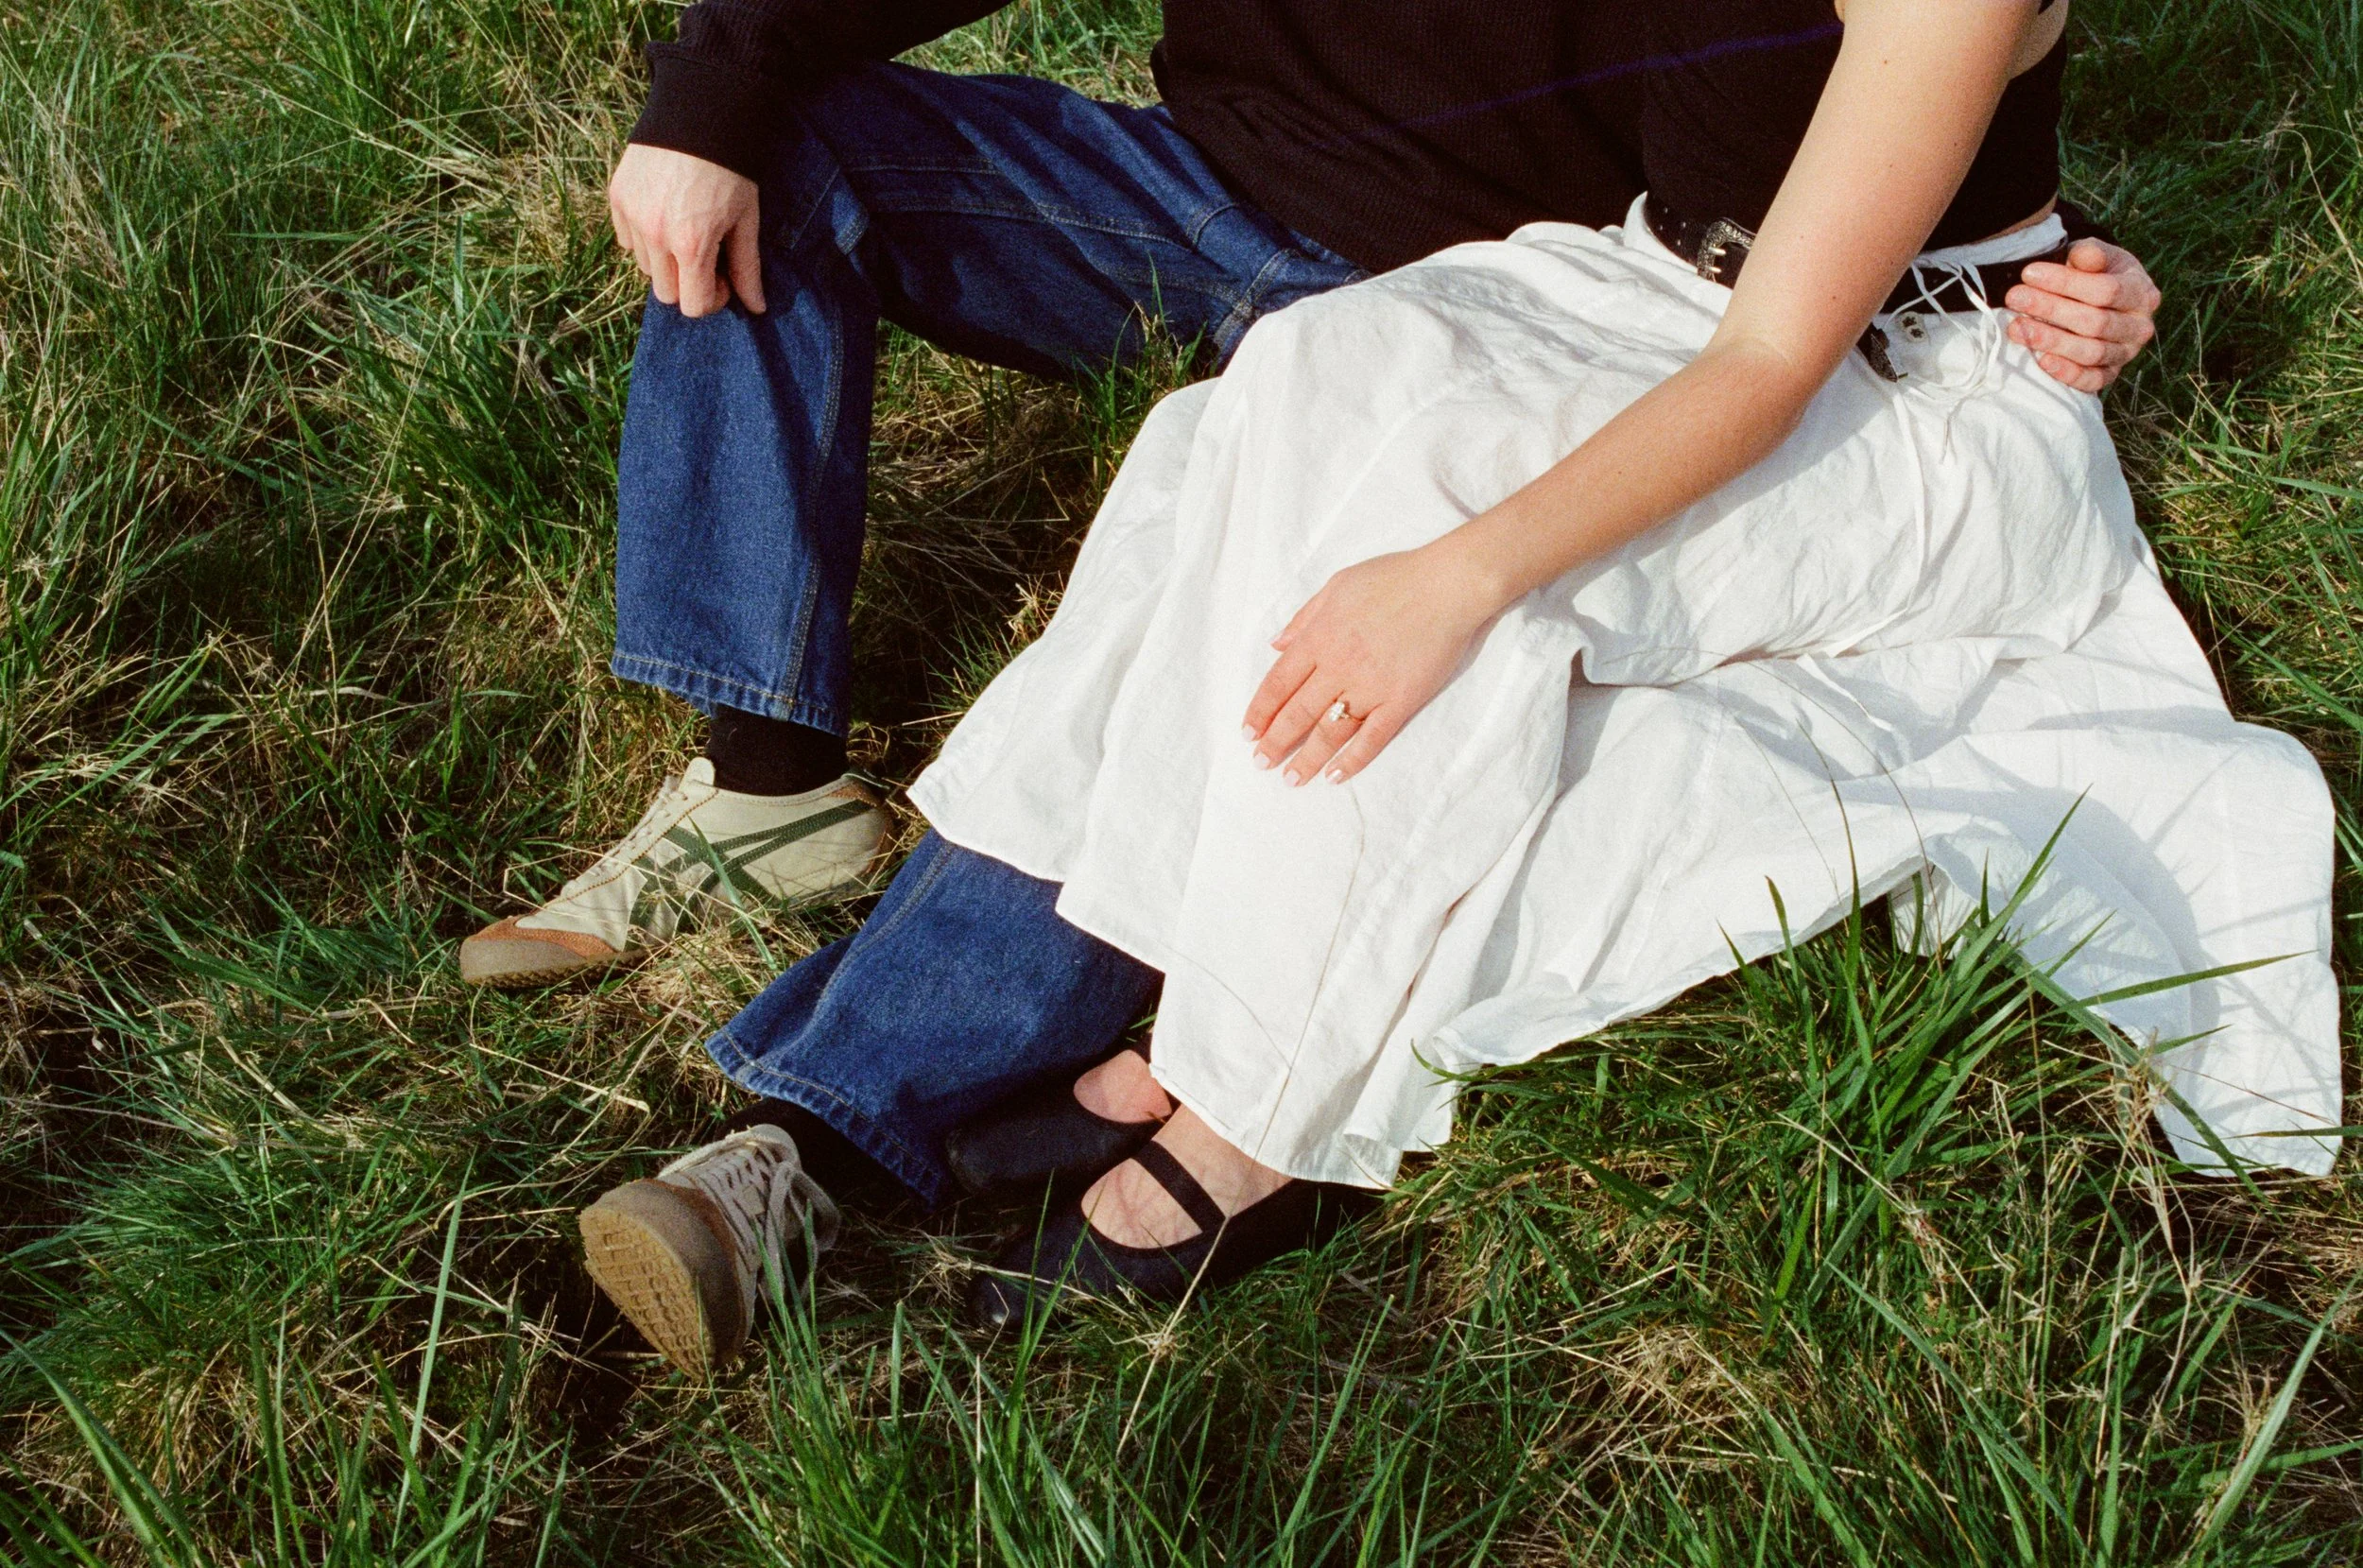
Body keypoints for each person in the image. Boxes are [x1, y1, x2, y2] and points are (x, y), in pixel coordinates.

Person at [552, 0, 2344, 1387]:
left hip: (1872, 393)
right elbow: (1817, 139)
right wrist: (723, 75)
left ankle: (1249, 1119)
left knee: (1422, 553)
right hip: (1637, 285)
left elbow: (1814, 291)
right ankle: (1056, 984)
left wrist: (1460, 576)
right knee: (1262, 421)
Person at [453, 0, 2165, 991]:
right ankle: (767, 788)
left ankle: (1065, 1013)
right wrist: (714, 89)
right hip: (1184, 198)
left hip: (1485, 303)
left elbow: (1830, 103)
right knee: (777, 145)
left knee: (1270, 672)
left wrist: (2037, 264)